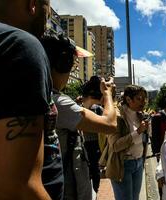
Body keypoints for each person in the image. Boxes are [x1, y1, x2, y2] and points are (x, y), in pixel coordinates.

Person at [41, 33, 117, 200]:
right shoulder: (58, 102)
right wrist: (108, 93)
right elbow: (109, 123)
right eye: (73, 65)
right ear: (62, 65)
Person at [0, 0, 56, 199]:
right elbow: (19, 188)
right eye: (48, 9)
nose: (48, 18)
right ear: (32, 4)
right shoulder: (18, 45)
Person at [103, 85, 149, 200]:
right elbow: (115, 146)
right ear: (128, 99)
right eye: (139, 98)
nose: (143, 102)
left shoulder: (140, 115)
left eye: (145, 98)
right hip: (123, 165)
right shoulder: (117, 115)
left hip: (138, 162)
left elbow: (143, 139)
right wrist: (138, 132)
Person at [81, 76, 104, 196]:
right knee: (89, 172)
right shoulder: (80, 109)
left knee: (95, 172)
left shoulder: (97, 109)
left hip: (95, 144)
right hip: (86, 144)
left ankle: (97, 191)